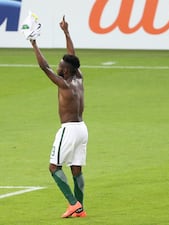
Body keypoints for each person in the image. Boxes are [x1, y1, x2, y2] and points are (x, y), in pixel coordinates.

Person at [30, 16, 88, 218]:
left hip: (69, 129)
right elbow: (73, 55)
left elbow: (43, 67)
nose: (58, 66)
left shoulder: (64, 84)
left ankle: (73, 204)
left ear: (67, 70)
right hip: (82, 129)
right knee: (76, 170)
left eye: (61, 65)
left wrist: (34, 43)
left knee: (54, 167)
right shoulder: (78, 77)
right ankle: (80, 208)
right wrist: (66, 32)